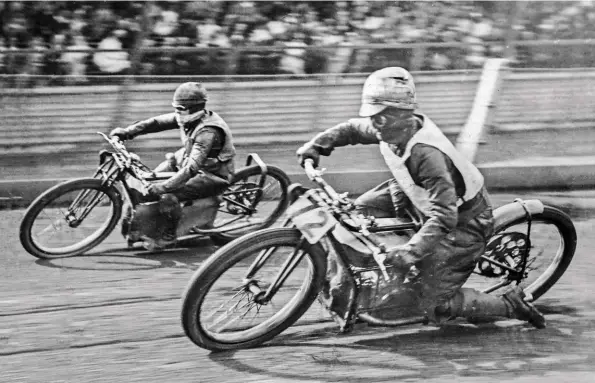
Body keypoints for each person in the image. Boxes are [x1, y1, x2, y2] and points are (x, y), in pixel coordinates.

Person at [296, 67, 546, 328]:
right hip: (415, 195)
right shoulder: (389, 128)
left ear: (404, 115)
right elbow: (353, 129)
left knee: (433, 304)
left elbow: (445, 216)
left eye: (382, 117)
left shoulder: (426, 155)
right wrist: (317, 145)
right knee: (353, 217)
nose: (375, 123)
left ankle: (511, 305)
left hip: (462, 223)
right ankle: (357, 286)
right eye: (374, 116)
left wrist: (412, 252)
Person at [110, 81, 236, 248]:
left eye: (181, 108)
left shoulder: (207, 132)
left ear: (195, 108)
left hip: (211, 174)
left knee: (167, 196)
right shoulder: (187, 118)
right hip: (185, 158)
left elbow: (191, 169)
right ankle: (144, 225)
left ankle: (169, 233)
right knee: (147, 182)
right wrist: (127, 132)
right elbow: (156, 123)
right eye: (176, 107)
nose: (177, 112)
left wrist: (165, 187)